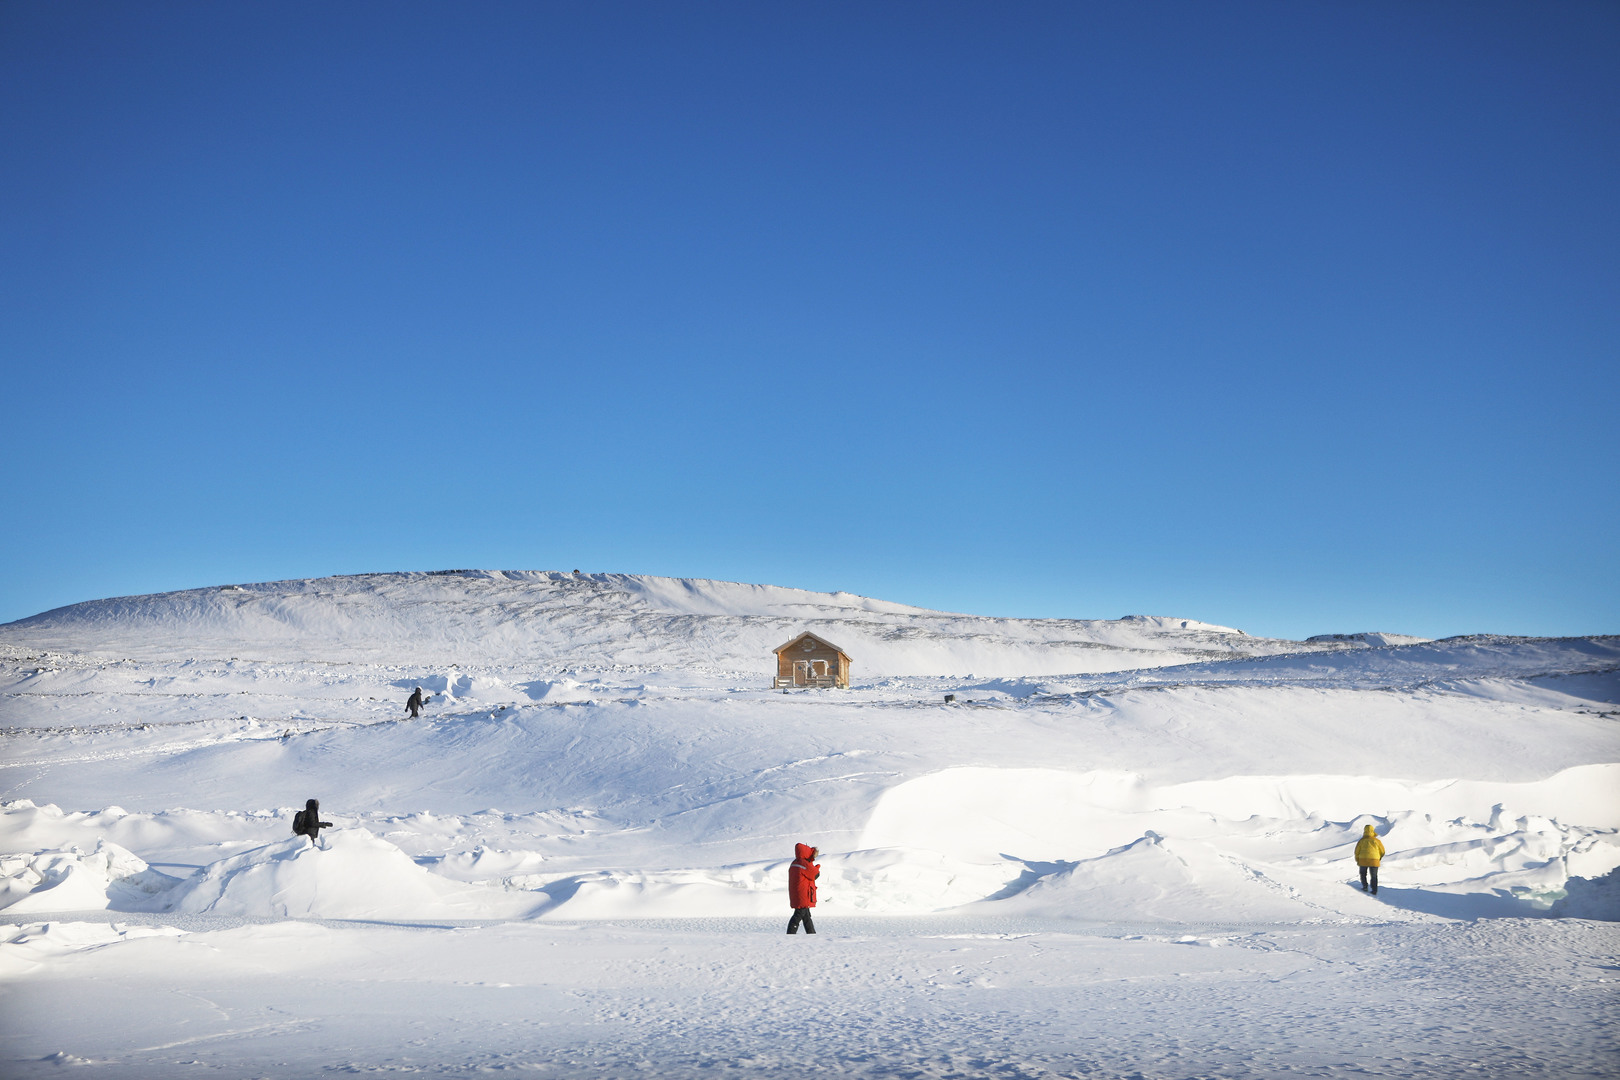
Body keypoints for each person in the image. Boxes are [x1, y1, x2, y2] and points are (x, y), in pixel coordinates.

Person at [787, 842, 820, 934]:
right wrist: (817, 867)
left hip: (798, 893)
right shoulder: (804, 863)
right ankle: (790, 935)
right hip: (803, 894)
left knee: (806, 915)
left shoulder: (795, 862)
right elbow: (815, 875)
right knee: (799, 914)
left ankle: (811, 934)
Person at [1355, 823, 1386, 894]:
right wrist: (1379, 858)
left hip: (1363, 860)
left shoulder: (1361, 841)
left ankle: (1365, 887)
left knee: (1363, 874)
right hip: (1374, 860)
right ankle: (1374, 890)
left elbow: (1357, 851)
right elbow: (1382, 851)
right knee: (1374, 876)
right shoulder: (1377, 841)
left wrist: (1358, 860)